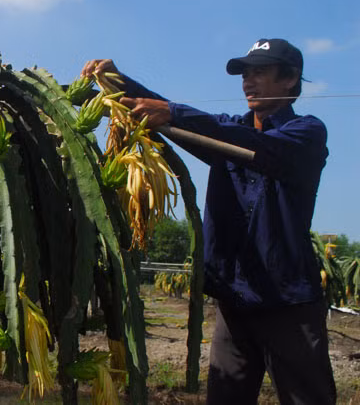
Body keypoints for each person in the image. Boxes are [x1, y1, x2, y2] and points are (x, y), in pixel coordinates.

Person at [82, 38, 335, 404]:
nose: (248, 81)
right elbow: (191, 122)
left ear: (290, 79)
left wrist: (175, 113)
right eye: (245, 73)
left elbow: (257, 147)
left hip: (289, 305)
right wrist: (119, 82)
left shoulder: (306, 134)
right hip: (234, 301)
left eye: (260, 72)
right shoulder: (224, 129)